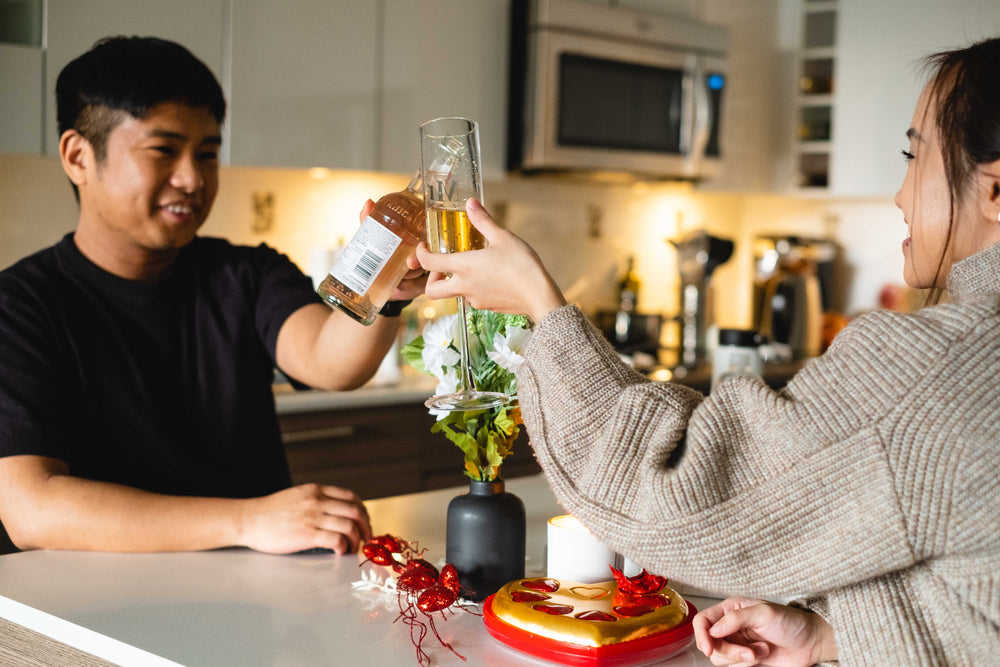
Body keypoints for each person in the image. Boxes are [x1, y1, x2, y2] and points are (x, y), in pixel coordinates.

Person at [416, 37, 1000, 666]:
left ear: (995, 192)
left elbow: (671, 497)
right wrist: (834, 636)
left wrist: (540, 304)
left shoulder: (946, 363)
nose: (900, 194)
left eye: (915, 156)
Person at [0, 37, 426, 556]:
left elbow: (330, 361)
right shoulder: (18, 306)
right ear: (78, 157)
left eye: (207, 154)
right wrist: (248, 521)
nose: (192, 178)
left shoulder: (245, 272)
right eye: (164, 151)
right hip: (97, 607)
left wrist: (388, 291)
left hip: (253, 597)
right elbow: (31, 508)